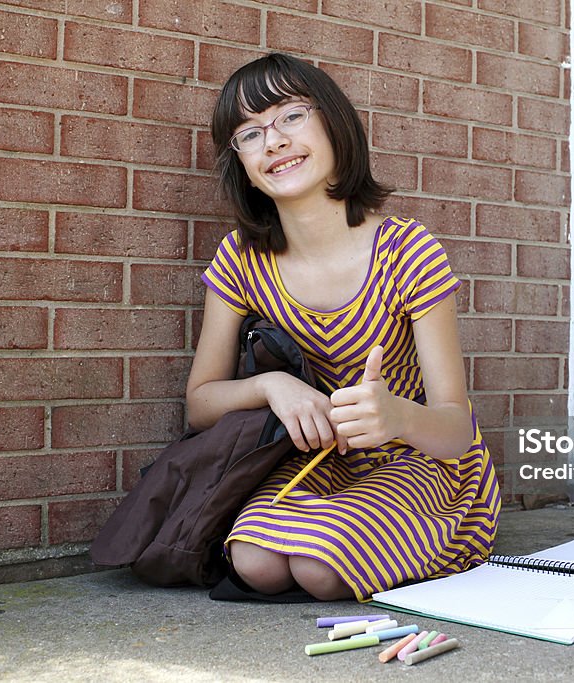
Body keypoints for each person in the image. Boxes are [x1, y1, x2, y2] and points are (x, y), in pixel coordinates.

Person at [187, 52, 501, 601]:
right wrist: (270, 385)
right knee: (253, 561)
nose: (275, 141)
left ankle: (436, 536)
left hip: (419, 458)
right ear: (241, 163)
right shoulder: (240, 258)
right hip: (315, 461)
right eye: (250, 133)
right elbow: (200, 402)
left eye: (290, 116)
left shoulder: (408, 250)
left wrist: (396, 414)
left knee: (317, 568)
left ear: (334, 123)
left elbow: (454, 428)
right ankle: (349, 539)